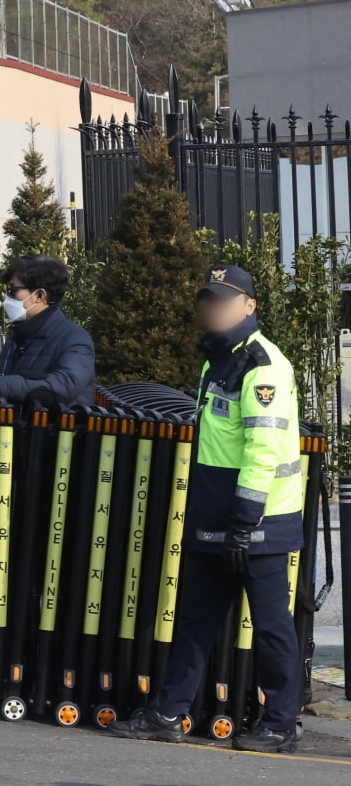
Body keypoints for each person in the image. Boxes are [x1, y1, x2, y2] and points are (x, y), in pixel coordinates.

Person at [109, 264, 303, 753]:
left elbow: (263, 452)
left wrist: (243, 523)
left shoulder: (263, 366)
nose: (213, 309)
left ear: (249, 306)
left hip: (258, 522)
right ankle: (167, 714)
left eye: (224, 300)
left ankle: (280, 724)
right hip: (217, 516)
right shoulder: (218, 360)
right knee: (196, 620)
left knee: (271, 625)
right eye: (209, 300)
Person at [0, 254, 95, 409]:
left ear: (39, 295)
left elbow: (66, 383)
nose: (8, 298)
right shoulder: (18, 336)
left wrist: (2, 386)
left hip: (59, 430)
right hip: (19, 429)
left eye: (13, 290)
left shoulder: (74, 338)